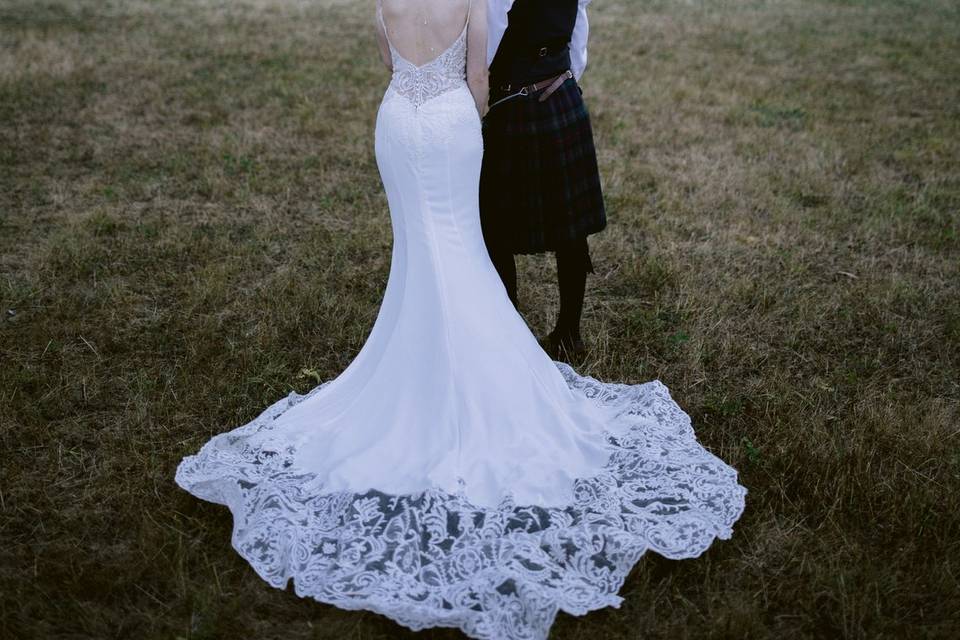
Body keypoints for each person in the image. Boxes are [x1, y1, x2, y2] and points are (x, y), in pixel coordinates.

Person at [175, 2, 746, 638]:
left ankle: (420, 366)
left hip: (396, 123)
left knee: (420, 250)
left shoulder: (384, 3)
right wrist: (460, 119)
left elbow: (391, 64)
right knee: (460, 244)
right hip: (451, 125)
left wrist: (422, 101)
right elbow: (479, 79)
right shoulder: (471, 2)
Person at [481, 0, 606, 362]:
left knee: (495, 226)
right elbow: (578, 26)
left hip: (514, 99)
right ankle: (569, 334)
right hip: (562, 91)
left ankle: (513, 334)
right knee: (570, 227)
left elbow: (490, 36)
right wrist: (565, 78)